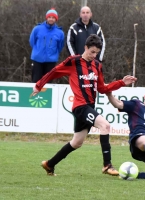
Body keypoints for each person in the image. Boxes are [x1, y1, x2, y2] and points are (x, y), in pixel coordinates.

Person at [32, 34, 136, 176]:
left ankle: (49, 164)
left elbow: (102, 88)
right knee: (105, 126)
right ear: (85, 47)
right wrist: (39, 86)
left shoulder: (97, 66)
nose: (94, 55)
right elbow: (54, 72)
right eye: (92, 51)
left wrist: (121, 83)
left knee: (76, 143)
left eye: (97, 53)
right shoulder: (73, 61)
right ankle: (107, 165)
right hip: (80, 106)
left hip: (89, 107)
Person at [29, 8, 65, 83]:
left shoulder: (60, 32)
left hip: (51, 61)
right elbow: (32, 41)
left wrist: (53, 53)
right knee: (36, 81)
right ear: (46, 18)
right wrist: (38, 51)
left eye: (53, 17)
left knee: (48, 82)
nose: (51, 19)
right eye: (49, 17)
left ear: (56, 19)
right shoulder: (37, 29)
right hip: (37, 59)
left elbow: (60, 46)